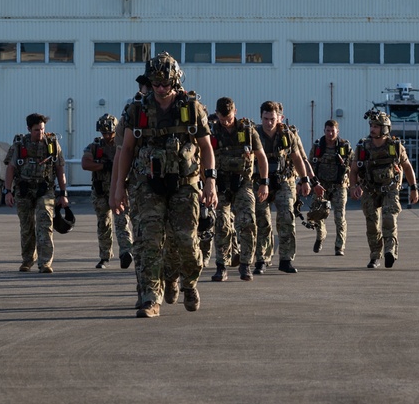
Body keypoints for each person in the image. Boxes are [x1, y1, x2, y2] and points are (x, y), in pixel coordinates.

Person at [111, 52, 218, 319]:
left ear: (176, 80)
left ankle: (188, 282)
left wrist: (210, 183)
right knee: (148, 242)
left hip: (185, 185)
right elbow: (126, 150)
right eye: (155, 82)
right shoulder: (136, 110)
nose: (160, 88)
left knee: (186, 242)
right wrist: (118, 188)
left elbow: (206, 148)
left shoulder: (192, 109)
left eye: (165, 82)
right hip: (147, 186)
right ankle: (150, 297)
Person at [209, 97, 268, 282]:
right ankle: (221, 266)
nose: (226, 122)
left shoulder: (248, 131)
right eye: (222, 118)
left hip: (243, 183)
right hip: (220, 185)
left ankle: (245, 265)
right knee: (221, 224)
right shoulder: (211, 131)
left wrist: (264, 182)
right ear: (217, 114)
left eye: (229, 117)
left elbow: (262, 157)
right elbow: (201, 156)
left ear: (235, 112)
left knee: (247, 222)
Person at [350, 108, 418, 269]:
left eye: (376, 126)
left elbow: (407, 167)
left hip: (390, 188)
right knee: (372, 224)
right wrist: (353, 187)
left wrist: (414, 188)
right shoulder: (363, 147)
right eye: (371, 125)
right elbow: (353, 170)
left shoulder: (394, 146)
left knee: (389, 219)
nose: (372, 129)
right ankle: (375, 256)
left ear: (385, 128)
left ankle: (390, 251)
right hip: (370, 189)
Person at [4, 113, 68, 274]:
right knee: (27, 227)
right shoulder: (19, 145)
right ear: (28, 129)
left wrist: (63, 193)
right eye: (36, 130)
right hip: (24, 190)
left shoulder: (52, 144)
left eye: (42, 129)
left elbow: (60, 169)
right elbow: (10, 168)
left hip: (44, 189)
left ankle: (45, 263)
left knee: (45, 224)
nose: (39, 133)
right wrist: (8, 191)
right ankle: (27, 260)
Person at [255, 101, 312, 274]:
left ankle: (286, 259)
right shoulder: (254, 134)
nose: (269, 123)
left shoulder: (286, 135)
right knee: (262, 221)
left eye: (272, 119)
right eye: (266, 118)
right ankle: (261, 260)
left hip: (283, 181)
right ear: (261, 117)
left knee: (286, 217)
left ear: (280, 118)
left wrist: (305, 180)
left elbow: (297, 158)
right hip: (260, 182)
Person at [81, 113, 133, 269]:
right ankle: (104, 256)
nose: (107, 136)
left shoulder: (122, 145)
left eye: (109, 132)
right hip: (100, 191)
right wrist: (104, 166)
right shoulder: (95, 146)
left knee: (122, 222)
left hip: (119, 190)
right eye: (104, 133)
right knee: (104, 224)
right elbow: (85, 163)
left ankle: (126, 252)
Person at [309, 119, 353, 255]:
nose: (330, 133)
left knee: (340, 217)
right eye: (327, 130)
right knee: (317, 214)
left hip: (339, 186)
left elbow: (353, 166)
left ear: (337, 132)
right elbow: (309, 165)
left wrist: (354, 184)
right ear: (324, 131)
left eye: (332, 131)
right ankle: (320, 236)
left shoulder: (344, 147)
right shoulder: (318, 146)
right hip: (321, 186)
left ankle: (339, 246)